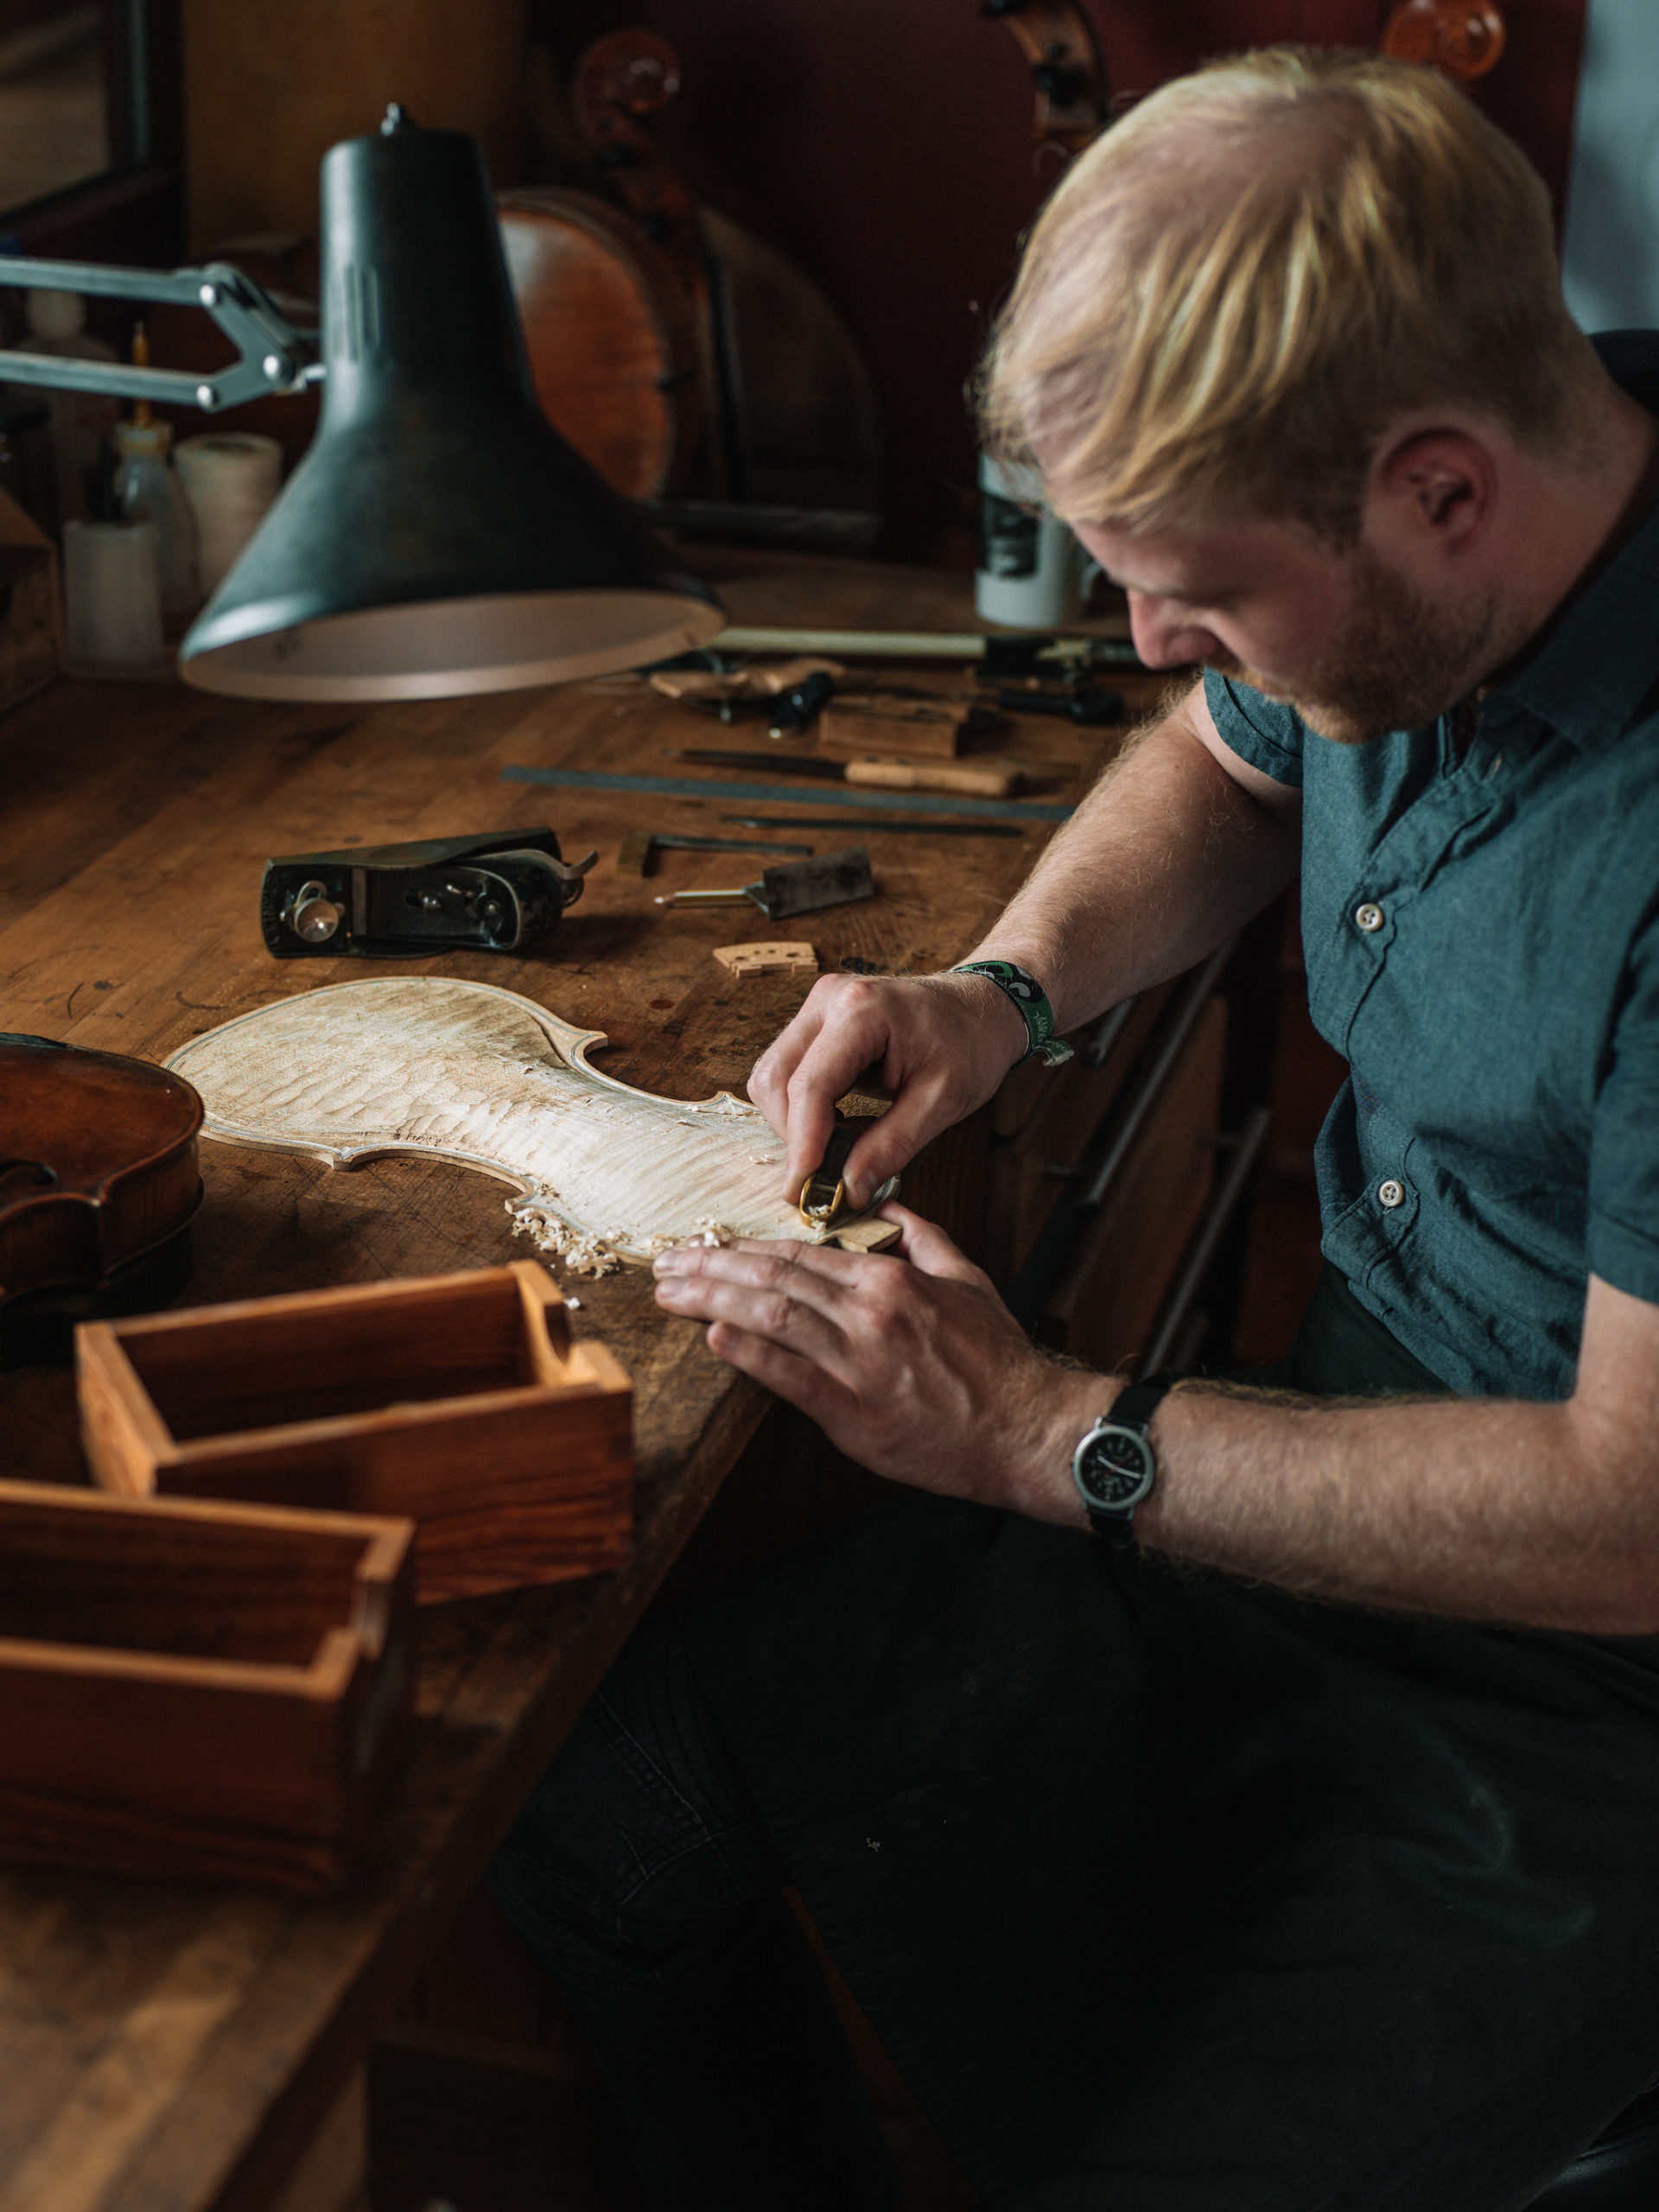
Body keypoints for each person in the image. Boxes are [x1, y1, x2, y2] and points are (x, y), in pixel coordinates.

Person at [492, 45, 1659, 2210]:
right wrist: (1002, 990)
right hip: (1301, 1508)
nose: (1144, 641)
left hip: (1591, 1712)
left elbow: (1631, 1512)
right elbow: (1231, 755)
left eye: (1195, 587)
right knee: (609, 1784)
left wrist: (1045, 1431)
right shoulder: (1441, 534)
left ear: (1442, 490)